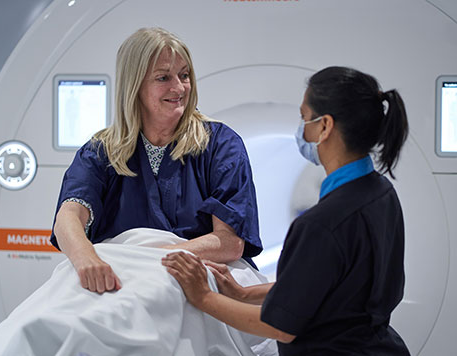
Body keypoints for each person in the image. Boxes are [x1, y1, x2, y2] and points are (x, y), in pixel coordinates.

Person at [162, 66, 411, 355]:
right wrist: (243, 294)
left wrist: (203, 297)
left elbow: (280, 327)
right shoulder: (381, 193)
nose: (302, 128)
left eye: (305, 118)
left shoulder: (321, 224)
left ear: (325, 126)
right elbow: (321, 288)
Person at [51, 27, 262, 294]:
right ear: (134, 86)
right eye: (163, 77)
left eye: (184, 75)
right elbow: (68, 216)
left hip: (195, 272)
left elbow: (230, 242)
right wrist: (86, 259)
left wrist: (151, 259)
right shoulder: (101, 151)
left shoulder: (220, 145)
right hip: (121, 275)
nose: (179, 87)